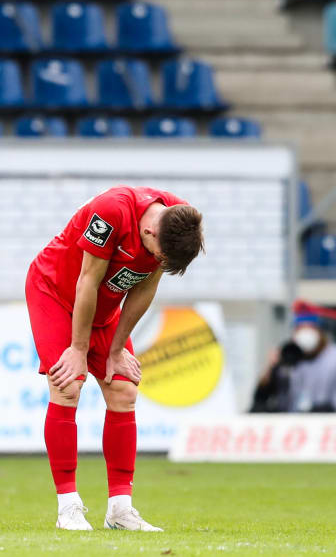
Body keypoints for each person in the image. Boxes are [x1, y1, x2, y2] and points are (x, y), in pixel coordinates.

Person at [25, 185, 204, 531]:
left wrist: (117, 348)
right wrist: (78, 350)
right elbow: (86, 283)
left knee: (124, 391)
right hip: (56, 293)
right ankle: (69, 507)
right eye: (160, 256)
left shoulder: (177, 221)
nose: (160, 262)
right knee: (67, 386)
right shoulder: (111, 212)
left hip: (102, 308)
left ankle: (120, 510)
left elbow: (146, 287)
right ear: (150, 230)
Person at [282, 313, 336, 412]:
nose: (305, 333)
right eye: (301, 328)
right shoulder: (291, 356)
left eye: (310, 327)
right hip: (295, 422)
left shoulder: (333, 357)